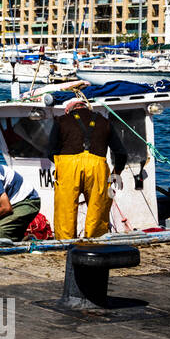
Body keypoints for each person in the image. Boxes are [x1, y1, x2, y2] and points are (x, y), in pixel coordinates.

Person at [48, 96, 127, 240]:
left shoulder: (61, 120)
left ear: (68, 109)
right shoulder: (105, 122)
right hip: (97, 168)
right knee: (98, 209)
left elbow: (50, 151)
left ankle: (66, 245)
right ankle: (95, 243)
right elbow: (121, 154)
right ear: (86, 107)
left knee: (65, 211)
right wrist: (116, 173)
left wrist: (61, 165)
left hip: (68, 167)